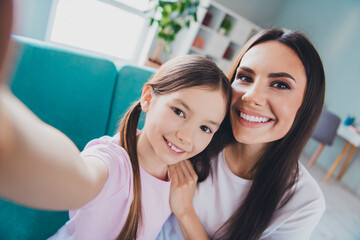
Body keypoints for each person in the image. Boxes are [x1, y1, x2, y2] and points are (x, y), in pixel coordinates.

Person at [0, 53, 231, 239]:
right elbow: (82, 176)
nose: (186, 137)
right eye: (179, 111)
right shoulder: (113, 162)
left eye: (205, 128)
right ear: (148, 98)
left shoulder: (180, 175)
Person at [157, 27, 326, 240]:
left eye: (280, 84)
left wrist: (184, 211)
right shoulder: (195, 137)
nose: (251, 96)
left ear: (306, 106)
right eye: (245, 77)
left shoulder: (304, 202)